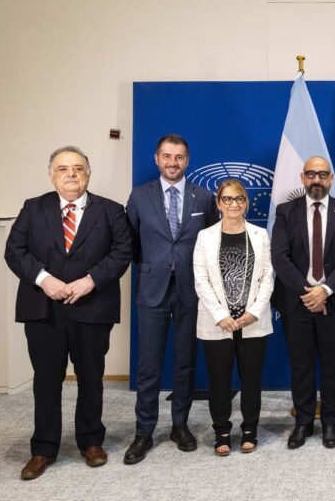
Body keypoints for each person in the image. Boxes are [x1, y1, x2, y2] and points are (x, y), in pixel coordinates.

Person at [4, 146, 132, 480]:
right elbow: (14, 251)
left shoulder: (111, 211)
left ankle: (91, 441)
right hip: (43, 309)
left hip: (92, 307)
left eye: (78, 168)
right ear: (51, 174)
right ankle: (43, 448)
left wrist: (90, 281)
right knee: (46, 381)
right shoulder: (33, 208)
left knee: (91, 378)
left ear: (88, 173)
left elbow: (122, 252)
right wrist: (45, 281)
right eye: (63, 169)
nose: (71, 174)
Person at [124, 134, 218, 464]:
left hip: (191, 290)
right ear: (156, 159)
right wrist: (152, 267)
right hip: (152, 288)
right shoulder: (139, 196)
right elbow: (131, 243)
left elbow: (211, 242)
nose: (172, 163)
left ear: (187, 160)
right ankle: (144, 432)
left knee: (185, 362)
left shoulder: (204, 198)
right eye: (166, 156)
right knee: (148, 366)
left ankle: (180, 425)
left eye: (179, 157)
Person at [271, 156, 335, 449]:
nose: (317, 180)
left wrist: (325, 291)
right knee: (301, 365)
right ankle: (303, 421)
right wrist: (308, 292)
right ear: (302, 177)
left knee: (333, 365)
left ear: (331, 178)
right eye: (311, 174)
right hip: (296, 301)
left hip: (333, 302)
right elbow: (279, 257)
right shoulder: (286, 212)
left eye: (322, 174)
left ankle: (331, 422)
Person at [193, 180, 274, 455]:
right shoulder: (205, 236)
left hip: (252, 322)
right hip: (218, 323)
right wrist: (220, 315)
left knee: (251, 379)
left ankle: (250, 429)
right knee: (219, 381)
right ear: (218, 203)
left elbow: (267, 277)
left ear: (246, 203)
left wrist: (254, 311)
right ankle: (222, 431)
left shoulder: (260, 234)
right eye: (227, 199)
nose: (233, 204)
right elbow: (201, 280)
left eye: (239, 199)